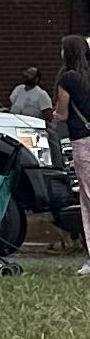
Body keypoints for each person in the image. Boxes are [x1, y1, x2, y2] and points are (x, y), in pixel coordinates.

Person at [57, 44, 90, 276]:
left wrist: (54, 115)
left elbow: (63, 113)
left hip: (82, 141)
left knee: (87, 199)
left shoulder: (68, 78)